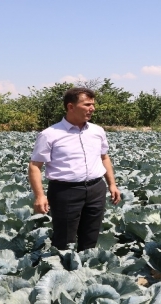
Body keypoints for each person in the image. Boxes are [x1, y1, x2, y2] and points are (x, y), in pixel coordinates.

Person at [28, 87, 121, 251]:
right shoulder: (50, 134)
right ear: (70, 107)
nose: (92, 108)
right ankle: (64, 272)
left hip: (96, 189)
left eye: (92, 104)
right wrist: (39, 196)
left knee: (91, 236)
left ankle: (85, 269)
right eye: (87, 104)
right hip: (65, 191)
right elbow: (35, 166)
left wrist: (112, 184)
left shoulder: (97, 131)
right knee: (64, 239)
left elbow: (104, 157)